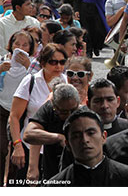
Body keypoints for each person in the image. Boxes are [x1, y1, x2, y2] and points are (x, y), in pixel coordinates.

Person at [7, 44, 68, 183]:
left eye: (62, 62)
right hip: (28, 147)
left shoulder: (66, 81)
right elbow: (14, 116)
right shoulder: (30, 81)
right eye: (53, 62)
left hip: (56, 149)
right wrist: (17, 146)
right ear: (42, 63)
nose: (58, 66)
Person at [48, 106, 128, 186]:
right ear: (68, 144)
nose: (85, 140)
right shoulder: (56, 185)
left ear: (104, 137)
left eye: (90, 133)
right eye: (76, 136)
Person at [23, 83, 80, 180]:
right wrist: (58, 138)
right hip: (52, 173)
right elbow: (28, 134)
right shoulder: (48, 110)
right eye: (64, 112)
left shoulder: (84, 112)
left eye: (73, 110)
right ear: (54, 106)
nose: (70, 115)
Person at [0, 30, 35, 180]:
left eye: (25, 44)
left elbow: (40, 81)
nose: (20, 47)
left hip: (21, 112)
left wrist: (29, 65)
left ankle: (14, 182)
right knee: (1, 148)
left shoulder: (34, 64)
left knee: (19, 148)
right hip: (2, 108)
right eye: (17, 44)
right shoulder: (2, 60)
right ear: (11, 45)